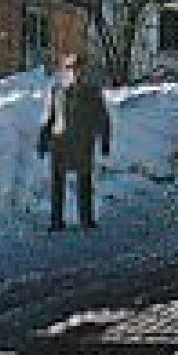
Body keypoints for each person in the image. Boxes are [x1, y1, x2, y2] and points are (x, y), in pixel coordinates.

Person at [39, 53, 111, 230]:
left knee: (84, 181)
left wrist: (105, 140)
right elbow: (51, 115)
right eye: (70, 68)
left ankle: (86, 219)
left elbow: (102, 117)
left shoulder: (92, 92)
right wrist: (43, 138)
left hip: (83, 141)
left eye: (77, 68)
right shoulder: (57, 90)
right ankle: (56, 220)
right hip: (60, 141)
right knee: (57, 182)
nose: (74, 72)